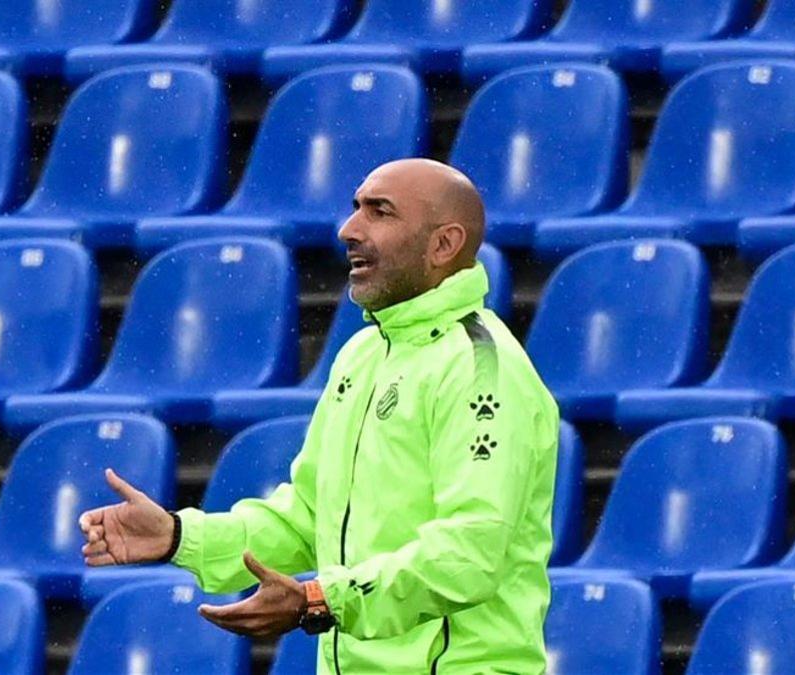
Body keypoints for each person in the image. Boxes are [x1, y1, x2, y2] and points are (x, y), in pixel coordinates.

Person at [78, 158, 560, 674]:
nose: (348, 230)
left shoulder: (481, 368)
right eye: (355, 209)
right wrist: (181, 536)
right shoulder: (363, 354)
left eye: (380, 212)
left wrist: (320, 599)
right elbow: (308, 519)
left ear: (443, 244)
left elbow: (471, 552)